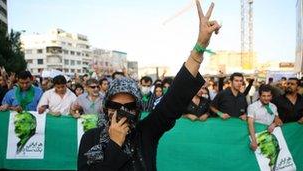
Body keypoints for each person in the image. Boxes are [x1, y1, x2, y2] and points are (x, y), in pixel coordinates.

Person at [77, 1, 220, 170]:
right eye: (115, 106)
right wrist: (115, 144)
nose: (122, 113)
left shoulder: (145, 133)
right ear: (106, 107)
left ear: (137, 109)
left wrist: (200, 47)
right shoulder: (91, 138)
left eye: (129, 106)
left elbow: (173, 101)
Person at [247, 85, 280, 151]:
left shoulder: (273, 106)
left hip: (269, 138)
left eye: (268, 96)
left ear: (272, 96)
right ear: (259, 96)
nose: (266, 98)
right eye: (264, 96)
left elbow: (278, 120)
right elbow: (250, 124)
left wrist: (274, 124)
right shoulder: (252, 107)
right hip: (257, 137)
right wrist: (254, 141)